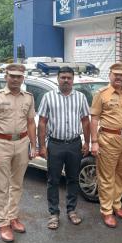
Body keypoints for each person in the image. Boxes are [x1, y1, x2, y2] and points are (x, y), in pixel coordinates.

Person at [0, 63, 37, 243]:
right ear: (6, 76)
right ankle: (3, 223)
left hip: (22, 143)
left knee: (17, 184)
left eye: (19, 76)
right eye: (12, 76)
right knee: (1, 186)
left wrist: (34, 146)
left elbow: (31, 123)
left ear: (23, 78)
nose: (15, 79)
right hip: (1, 143)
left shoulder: (28, 98)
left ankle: (13, 217)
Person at [37, 66, 90, 230]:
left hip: (75, 144)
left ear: (73, 80)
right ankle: (53, 214)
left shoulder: (81, 97)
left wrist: (87, 142)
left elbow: (85, 121)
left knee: (73, 179)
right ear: (58, 79)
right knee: (53, 180)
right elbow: (42, 122)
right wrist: (42, 146)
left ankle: (71, 210)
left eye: (69, 77)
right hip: (55, 144)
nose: (66, 80)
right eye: (63, 77)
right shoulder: (48, 97)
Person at [90, 62, 122, 228]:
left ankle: (117, 204)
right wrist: (94, 142)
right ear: (110, 75)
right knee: (106, 176)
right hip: (108, 139)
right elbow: (95, 119)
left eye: (121, 75)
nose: (118, 77)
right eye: (116, 74)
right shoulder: (101, 94)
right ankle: (106, 210)